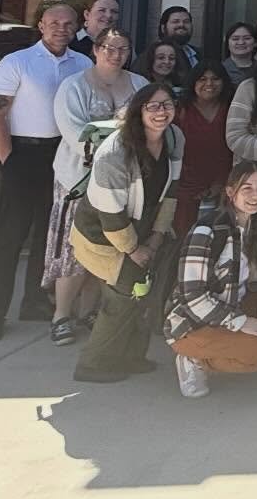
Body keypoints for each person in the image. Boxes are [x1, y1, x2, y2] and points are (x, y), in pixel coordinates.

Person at [0, 1, 90, 344]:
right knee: (10, 236)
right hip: (23, 154)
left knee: (48, 234)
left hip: (63, 155)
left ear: (76, 27)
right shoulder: (17, 62)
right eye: (54, 22)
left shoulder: (83, 64)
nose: (61, 29)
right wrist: (8, 160)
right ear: (41, 25)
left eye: (68, 23)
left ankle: (34, 301)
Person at [164, 161, 257, 397]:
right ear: (230, 192)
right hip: (193, 323)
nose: (255, 196)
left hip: (235, 303)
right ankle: (194, 359)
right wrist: (240, 322)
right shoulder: (207, 230)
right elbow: (192, 297)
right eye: (247, 188)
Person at [69, 83, 184, 382]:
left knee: (142, 292)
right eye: (153, 106)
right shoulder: (114, 153)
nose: (161, 112)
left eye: (167, 104)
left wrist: (157, 236)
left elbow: (171, 192)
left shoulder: (174, 138)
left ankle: (132, 357)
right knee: (122, 294)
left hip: (143, 229)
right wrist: (134, 249)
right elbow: (110, 214)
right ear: (137, 111)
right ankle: (93, 365)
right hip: (103, 234)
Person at [46, 27, 146, 347]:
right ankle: (61, 315)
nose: (116, 54)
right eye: (109, 48)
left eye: (123, 49)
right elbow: (74, 132)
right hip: (78, 179)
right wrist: (118, 141)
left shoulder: (140, 85)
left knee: (107, 246)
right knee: (73, 248)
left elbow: (150, 126)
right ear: (95, 49)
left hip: (123, 181)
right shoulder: (73, 85)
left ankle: (90, 312)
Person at [173, 61, 234, 236]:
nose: (209, 84)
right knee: (183, 235)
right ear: (193, 82)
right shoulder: (180, 109)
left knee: (221, 235)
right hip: (186, 185)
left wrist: (221, 182)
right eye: (202, 79)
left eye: (215, 79)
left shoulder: (231, 108)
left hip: (225, 182)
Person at [222, 22, 257, 87]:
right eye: (235, 39)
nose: (241, 42)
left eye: (247, 38)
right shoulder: (220, 69)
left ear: (255, 43)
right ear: (227, 43)